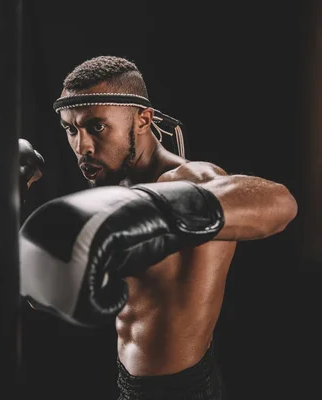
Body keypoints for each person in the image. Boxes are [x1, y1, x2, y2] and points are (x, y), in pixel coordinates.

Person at [19, 55, 298, 400]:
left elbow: (280, 204)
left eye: (97, 127)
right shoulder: (114, 194)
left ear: (143, 119)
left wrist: (158, 210)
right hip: (130, 387)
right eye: (70, 129)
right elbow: (45, 295)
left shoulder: (188, 179)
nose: (82, 146)